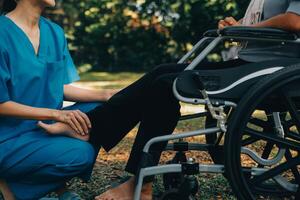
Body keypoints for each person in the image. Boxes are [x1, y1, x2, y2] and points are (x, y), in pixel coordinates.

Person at [1, 0, 300, 200]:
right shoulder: (6, 32)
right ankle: (133, 179)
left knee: (163, 85)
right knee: (162, 76)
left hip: (271, 69)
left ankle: (137, 181)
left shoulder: (52, 32)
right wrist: (239, 25)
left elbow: (294, 21)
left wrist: (240, 30)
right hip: (16, 130)